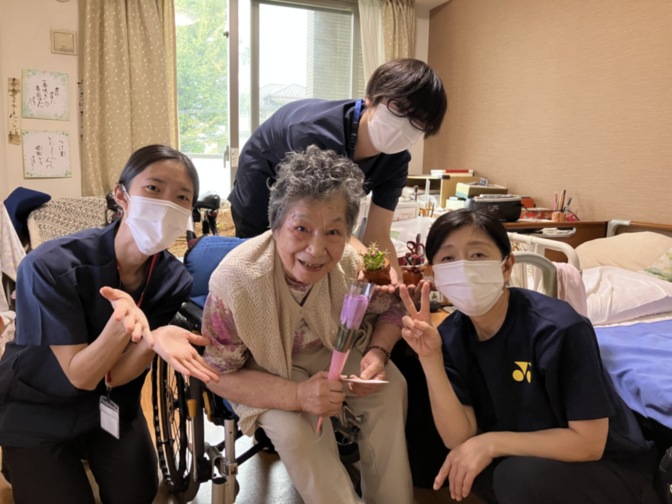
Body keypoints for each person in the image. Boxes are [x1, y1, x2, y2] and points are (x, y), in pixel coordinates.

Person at [0, 144, 219, 504]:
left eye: (182, 197)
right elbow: (81, 376)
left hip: (110, 404)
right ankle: (24, 459)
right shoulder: (50, 265)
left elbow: (114, 376)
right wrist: (120, 327)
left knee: (138, 494)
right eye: (153, 188)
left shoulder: (172, 278)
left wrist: (152, 340)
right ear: (121, 195)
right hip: (38, 404)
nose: (167, 204)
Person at [398, 208, 658, 504]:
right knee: (469, 464)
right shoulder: (451, 335)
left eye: (478, 255)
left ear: (507, 266)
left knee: (515, 476)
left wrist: (491, 442)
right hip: (536, 458)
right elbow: (458, 438)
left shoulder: (559, 328)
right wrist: (430, 359)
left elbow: (590, 443)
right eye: (448, 259)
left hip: (613, 468)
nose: (465, 269)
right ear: (434, 274)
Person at [203, 145, 414, 504]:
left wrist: (378, 353)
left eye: (333, 232)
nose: (316, 250)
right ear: (275, 225)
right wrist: (298, 396)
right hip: (266, 369)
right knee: (298, 433)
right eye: (301, 228)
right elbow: (218, 375)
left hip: (333, 349)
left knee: (390, 387)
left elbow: (393, 309)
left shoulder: (354, 264)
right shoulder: (236, 281)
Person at [228, 58, 447, 281]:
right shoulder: (314, 134)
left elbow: (378, 233)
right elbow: (319, 222)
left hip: (316, 215)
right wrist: (375, 265)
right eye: (399, 108)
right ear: (370, 97)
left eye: (418, 122)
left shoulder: (396, 160)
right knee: (264, 262)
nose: (404, 124)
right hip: (261, 187)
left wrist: (395, 284)